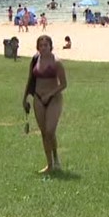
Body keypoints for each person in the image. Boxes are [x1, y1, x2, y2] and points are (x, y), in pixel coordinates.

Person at [22, 34, 67, 173]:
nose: (43, 48)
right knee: (44, 133)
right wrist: (25, 98)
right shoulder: (35, 60)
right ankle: (49, 164)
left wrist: (50, 94)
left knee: (50, 130)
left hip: (53, 98)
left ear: (50, 46)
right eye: (41, 45)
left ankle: (56, 158)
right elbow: (30, 79)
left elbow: (64, 84)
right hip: (38, 98)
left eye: (46, 45)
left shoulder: (57, 62)